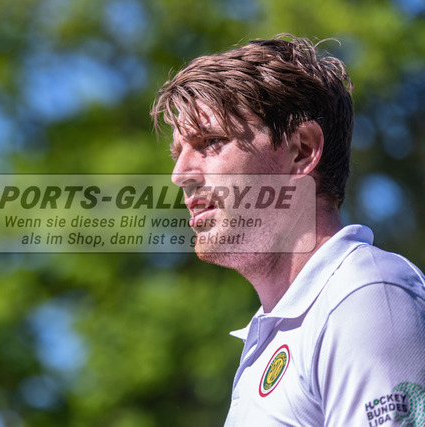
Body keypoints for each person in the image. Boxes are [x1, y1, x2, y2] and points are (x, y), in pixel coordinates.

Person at [151, 34, 425, 426]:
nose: (180, 175)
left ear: (302, 150)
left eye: (210, 141)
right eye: (179, 153)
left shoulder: (363, 294)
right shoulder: (271, 340)